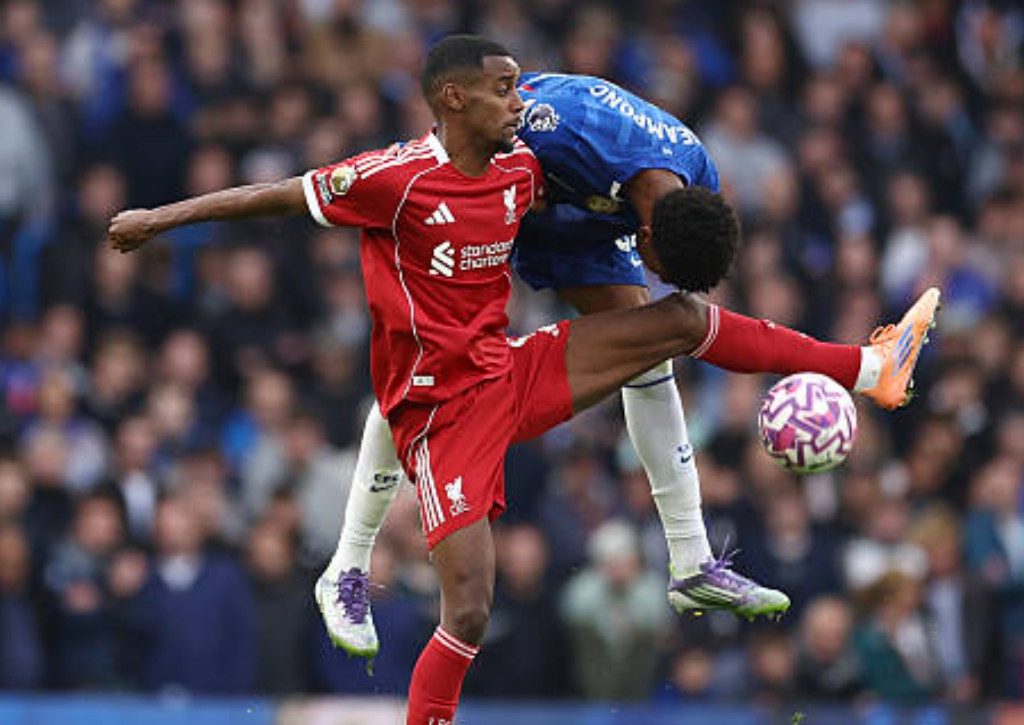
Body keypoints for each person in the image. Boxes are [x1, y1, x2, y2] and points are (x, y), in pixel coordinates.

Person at [108, 35, 939, 724]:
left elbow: (617, 209)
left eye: (518, 90)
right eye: (505, 91)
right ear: (455, 102)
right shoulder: (397, 178)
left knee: (675, 325)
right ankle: (348, 567)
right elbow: (279, 196)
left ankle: (867, 368)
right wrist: (159, 220)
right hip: (438, 412)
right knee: (469, 607)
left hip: (512, 367)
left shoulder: (525, 172)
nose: (520, 104)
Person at [319, 68, 776, 660]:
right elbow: (471, 130)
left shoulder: (694, 181)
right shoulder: (556, 130)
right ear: (649, 236)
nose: (656, 279)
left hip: (583, 216)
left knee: (648, 345)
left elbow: (673, 262)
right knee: (429, 363)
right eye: (660, 268)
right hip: (495, 188)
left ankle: (691, 561)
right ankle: (347, 564)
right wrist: (505, 186)